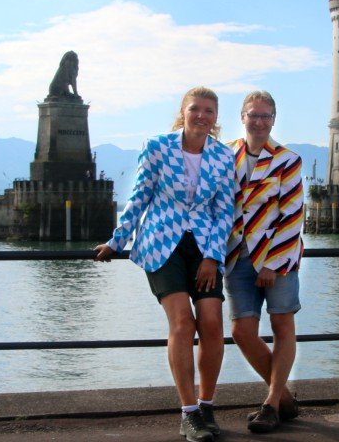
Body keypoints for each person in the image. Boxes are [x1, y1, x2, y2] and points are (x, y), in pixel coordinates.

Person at [94, 86, 235, 442]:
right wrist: (117, 240)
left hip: (204, 247)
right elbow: (139, 196)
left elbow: (224, 212)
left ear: (216, 118)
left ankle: (206, 405)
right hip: (162, 244)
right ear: (183, 112)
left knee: (213, 325)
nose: (201, 115)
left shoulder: (222, 156)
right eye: (195, 109)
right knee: (183, 323)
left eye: (209, 111)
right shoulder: (158, 147)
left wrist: (213, 256)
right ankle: (188, 413)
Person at [224, 90, 304, 434]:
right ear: (242, 116)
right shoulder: (225, 156)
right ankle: (284, 397)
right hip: (235, 254)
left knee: (282, 325)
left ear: (274, 119)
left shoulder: (287, 160)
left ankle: (270, 404)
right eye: (253, 115)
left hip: (277, 255)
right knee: (242, 330)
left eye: (266, 116)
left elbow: (292, 215)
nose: (259, 122)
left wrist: (273, 262)